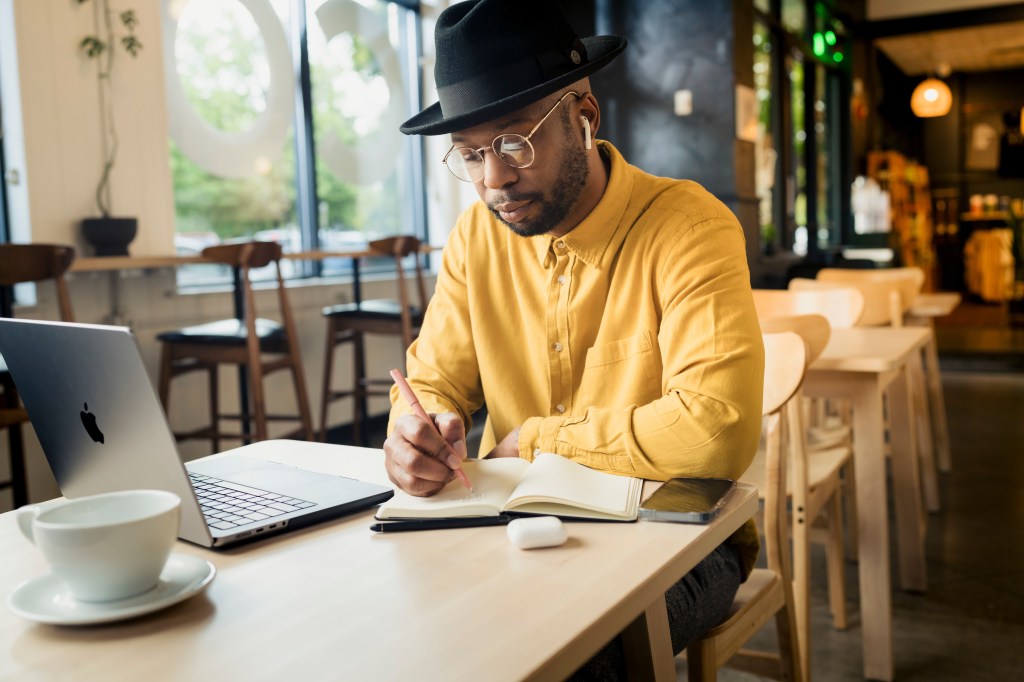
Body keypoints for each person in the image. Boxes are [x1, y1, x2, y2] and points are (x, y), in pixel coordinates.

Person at [385, 0, 764, 677]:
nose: (493, 179)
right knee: (405, 633)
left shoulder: (689, 227)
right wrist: (413, 433)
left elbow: (717, 430)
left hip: (676, 542)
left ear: (584, 116)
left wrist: (539, 439)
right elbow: (433, 381)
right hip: (512, 529)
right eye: (471, 155)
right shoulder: (476, 240)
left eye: (512, 142)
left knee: (555, 657)